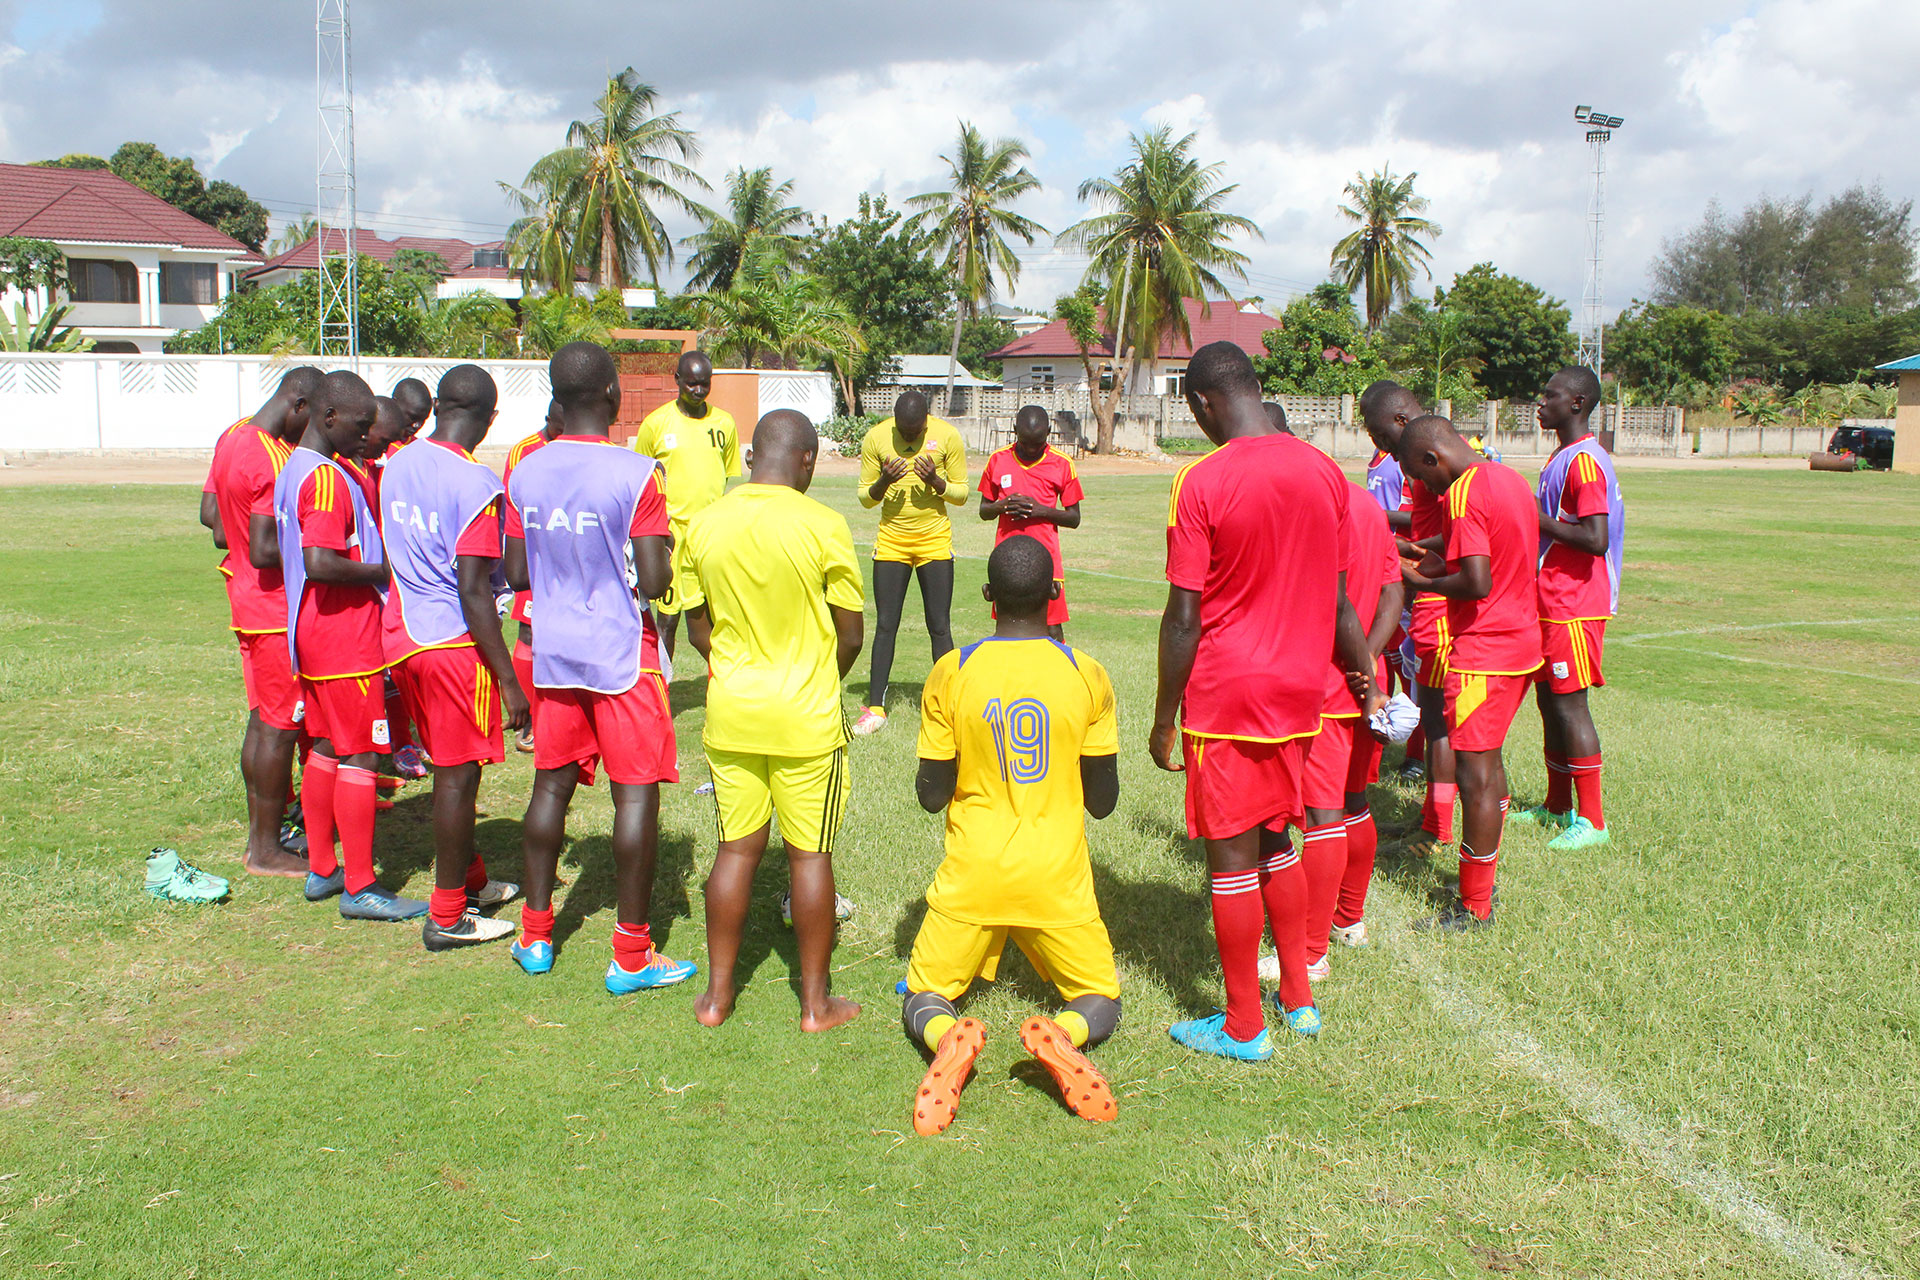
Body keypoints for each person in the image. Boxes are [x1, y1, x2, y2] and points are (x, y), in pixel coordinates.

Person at [1152, 342, 1381, 1060]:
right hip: (1301, 692)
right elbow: (1342, 597)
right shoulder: (1321, 469)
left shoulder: (1201, 480)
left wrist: (1164, 718)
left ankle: (1243, 1026)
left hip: (1228, 694)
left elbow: (1183, 615)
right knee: (1279, 843)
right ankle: (1300, 1000)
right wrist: (1363, 667)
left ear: (1203, 403)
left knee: (1229, 861)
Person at [905, 535, 1122, 1135]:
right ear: (1055, 596)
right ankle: (1062, 1033)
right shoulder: (1087, 672)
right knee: (1100, 998)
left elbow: (930, 796)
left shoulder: (954, 670)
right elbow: (1103, 803)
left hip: (973, 876)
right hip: (1056, 880)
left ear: (987, 598)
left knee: (924, 995)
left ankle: (949, 1038)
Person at [503, 341, 695, 992]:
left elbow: (515, 571)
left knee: (549, 789)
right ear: (613, 395)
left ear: (558, 399)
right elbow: (653, 575)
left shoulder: (526, 470)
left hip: (553, 652)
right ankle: (632, 956)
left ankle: (534, 936)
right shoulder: (637, 473)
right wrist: (659, 556)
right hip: (621, 656)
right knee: (634, 794)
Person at [683, 409, 864, 1032]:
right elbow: (851, 634)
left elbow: (697, 627)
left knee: (735, 850)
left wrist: (736, 672)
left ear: (749, 457)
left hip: (732, 712)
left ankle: (716, 999)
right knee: (809, 858)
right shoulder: (824, 524)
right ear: (808, 460)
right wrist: (814, 680)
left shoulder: (704, 523)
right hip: (806, 718)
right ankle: (816, 1007)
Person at [379, 364, 534, 951]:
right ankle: (447, 917)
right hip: (450, 645)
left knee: (449, 767)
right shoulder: (478, 485)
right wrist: (509, 683)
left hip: (403, 636)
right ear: (490, 418)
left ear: (439, 405)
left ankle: (469, 884)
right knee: (456, 776)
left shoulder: (398, 461)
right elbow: (474, 590)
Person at [273, 371, 426, 921]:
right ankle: (360, 885)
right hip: (343, 638)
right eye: (361, 427)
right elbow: (320, 561)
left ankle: (321, 869)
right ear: (329, 417)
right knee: (361, 750)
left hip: (310, 633)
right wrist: (386, 569)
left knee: (323, 746)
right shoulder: (328, 480)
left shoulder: (295, 467)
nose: (367, 436)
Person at [1396, 416, 1543, 930]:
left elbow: (1476, 582)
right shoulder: (1508, 479)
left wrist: (1411, 576)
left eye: (1423, 476)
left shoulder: (1462, 491)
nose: (1428, 489)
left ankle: (1474, 904)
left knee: (1475, 776)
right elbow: (1489, 554)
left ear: (1434, 459)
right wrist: (1425, 553)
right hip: (1522, 641)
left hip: (1485, 649)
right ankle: (1484, 877)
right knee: (1489, 766)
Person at [203, 367, 323, 877]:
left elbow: (212, 520)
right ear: (297, 405)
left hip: (245, 600)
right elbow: (264, 546)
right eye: (312, 420)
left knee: (262, 723)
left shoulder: (232, 434)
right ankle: (267, 850)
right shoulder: (275, 459)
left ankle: (262, 839)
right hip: (275, 610)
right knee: (279, 728)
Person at [1298, 476, 1403, 977]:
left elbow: (1332, 602)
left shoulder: (1312, 502)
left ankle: (1310, 953)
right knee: (1354, 803)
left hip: (1322, 684)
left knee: (1321, 819)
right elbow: (1392, 592)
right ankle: (1349, 920)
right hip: (1366, 685)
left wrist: (1355, 662)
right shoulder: (1365, 503)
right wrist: (1371, 663)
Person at [1516, 366, 1623, 852]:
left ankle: (1593, 820)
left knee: (1570, 705)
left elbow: (1595, 538)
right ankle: (1557, 805)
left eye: (1550, 396)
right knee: (1549, 702)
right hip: (1551, 598)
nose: (1541, 404)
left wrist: (1533, 517)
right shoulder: (1562, 456)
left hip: (1575, 603)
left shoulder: (1584, 462)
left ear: (1576, 404)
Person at [853, 390, 966, 736]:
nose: (909, 438)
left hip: (934, 541)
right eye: (903, 431)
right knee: (886, 624)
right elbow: (864, 498)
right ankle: (875, 709)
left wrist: (935, 481)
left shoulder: (947, 436)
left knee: (939, 626)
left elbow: (961, 494)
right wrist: (885, 480)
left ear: (926, 422)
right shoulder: (876, 437)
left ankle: (950, 704)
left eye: (915, 432)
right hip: (892, 542)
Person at [629, 350, 740, 661]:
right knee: (668, 618)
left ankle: (723, 682)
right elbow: (642, 481)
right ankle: (663, 692)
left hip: (712, 536)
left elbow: (725, 479)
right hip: (671, 535)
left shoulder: (724, 424)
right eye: (692, 384)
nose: (698, 390)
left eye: (704, 384)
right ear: (677, 380)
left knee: (719, 614)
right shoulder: (656, 424)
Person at [1358, 381, 1426, 773]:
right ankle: (1400, 742)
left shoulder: (1425, 457)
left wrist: (1374, 521)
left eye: (1378, 430)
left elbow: (1431, 524)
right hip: (1395, 573)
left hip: (1417, 578)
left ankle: (1417, 758)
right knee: (1399, 662)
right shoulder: (1389, 456)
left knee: (1419, 675)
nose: (1375, 437)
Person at [977, 406, 1083, 640]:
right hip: (1007, 560)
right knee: (1008, 627)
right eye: (1025, 443)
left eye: (1038, 443)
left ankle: (1058, 676)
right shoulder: (997, 460)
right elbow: (984, 511)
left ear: (1048, 432)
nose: (1032, 449)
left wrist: (1040, 510)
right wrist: (1001, 506)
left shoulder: (1062, 463)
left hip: (1046, 560)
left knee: (1052, 627)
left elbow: (1074, 518)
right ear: (1015, 431)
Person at [501, 401, 563, 754]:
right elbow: (515, 504)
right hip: (532, 553)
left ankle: (555, 713)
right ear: (548, 418)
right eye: (558, 425)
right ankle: (526, 720)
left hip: (567, 555)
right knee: (528, 629)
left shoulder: (576, 448)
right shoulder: (526, 451)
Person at [391, 377, 433, 447]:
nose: (418, 425)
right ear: (394, 404)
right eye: (413, 417)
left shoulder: (419, 448)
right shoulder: (371, 445)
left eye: (423, 420)